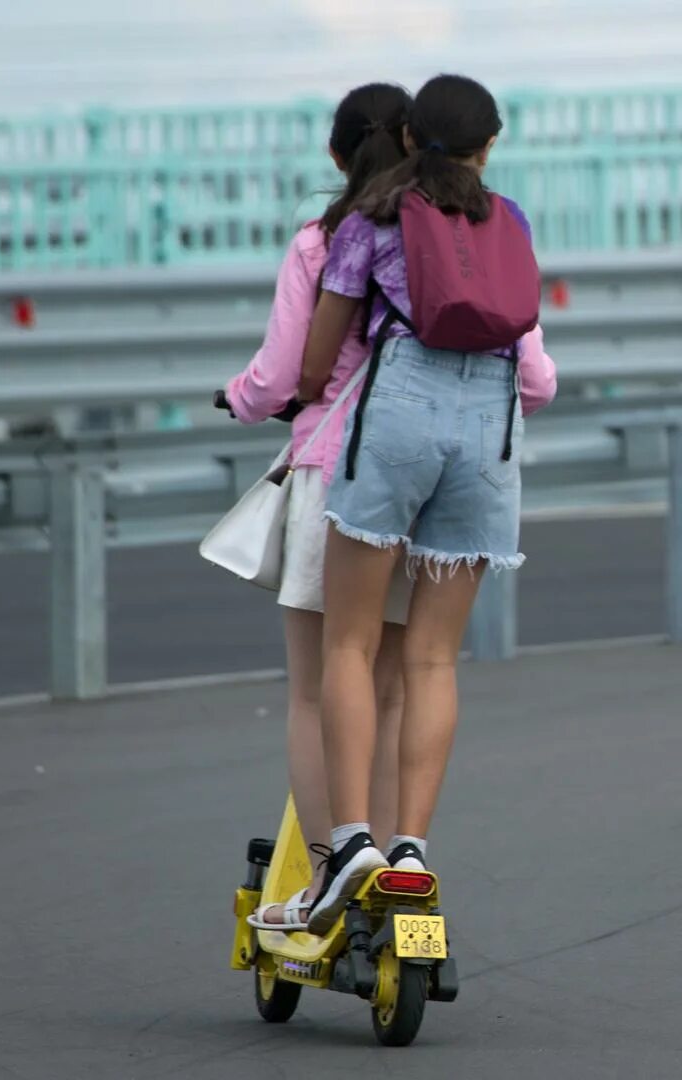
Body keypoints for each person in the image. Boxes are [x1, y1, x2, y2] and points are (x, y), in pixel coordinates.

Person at [297, 73, 550, 932]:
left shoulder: (373, 218)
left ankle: (351, 846)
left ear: (410, 140)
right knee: (433, 659)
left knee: (350, 641)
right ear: (490, 146)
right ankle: (411, 852)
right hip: (491, 424)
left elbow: (316, 356)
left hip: (398, 411)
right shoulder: (505, 217)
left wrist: (303, 395)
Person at [219, 83, 415, 930]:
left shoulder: (322, 239)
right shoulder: (448, 236)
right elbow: (536, 375)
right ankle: (399, 855)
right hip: (419, 482)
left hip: (331, 469)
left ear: (336, 156)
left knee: (313, 690)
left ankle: (334, 869)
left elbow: (279, 374)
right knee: (394, 687)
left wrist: (235, 398)